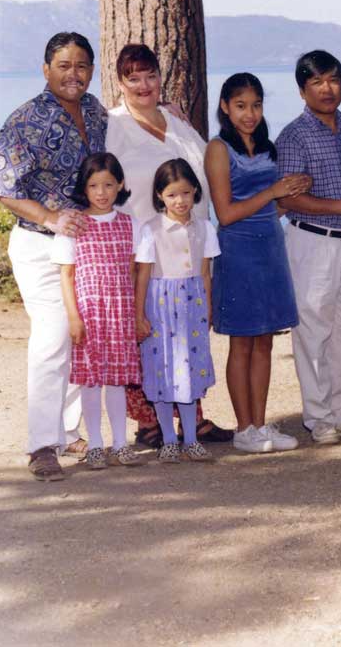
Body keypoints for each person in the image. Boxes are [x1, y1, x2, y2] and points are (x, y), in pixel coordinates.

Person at [0, 32, 105, 481]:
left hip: (83, 245)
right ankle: (40, 446)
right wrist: (52, 217)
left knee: (80, 334)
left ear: (92, 70)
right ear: (45, 69)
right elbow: (0, 186)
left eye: (82, 66)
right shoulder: (26, 120)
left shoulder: (94, 111)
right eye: (64, 65)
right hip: (39, 244)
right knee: (53, 337)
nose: (73, 75)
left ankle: (67, 429)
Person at [106, 43, 231, 448]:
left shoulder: (178, 122)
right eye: (133, 77)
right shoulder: (113, 126)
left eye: (150, 75)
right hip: (142, 251)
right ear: (120, 82)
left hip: (189, 248)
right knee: (149, 337)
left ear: (161, 77)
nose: (144, 85)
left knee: (186, 335)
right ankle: (149, 422)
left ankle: (192, 416)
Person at [275, 50, 341, 445]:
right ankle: (318, 418)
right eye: (317, 82)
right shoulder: (293, 137)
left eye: (333, 79)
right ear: (303, 90)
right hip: (311, 239)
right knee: (311, 329)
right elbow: (289, 200)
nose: (327, 89)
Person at [205, 73, 310, 453]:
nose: (249, 114)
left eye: (256, 105)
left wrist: (292, 192)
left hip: (271, 247)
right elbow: (226, 213)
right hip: (238, 251)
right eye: (240, 106)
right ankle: (243, 428)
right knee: (243, 342)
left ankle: (260, 425)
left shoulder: (266, 146)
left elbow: (272, 205)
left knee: (264, 340)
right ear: (224, 107)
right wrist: (273, 191)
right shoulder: (218, 149)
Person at [52, 153, 143, 470]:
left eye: (108, 184)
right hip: (88, 314)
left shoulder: (129, 225)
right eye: (93, 185)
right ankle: (96, 445)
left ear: (120, 184)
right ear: (84, 188)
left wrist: (134, 313)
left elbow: (132, 272)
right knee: (90, 382)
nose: (101, 192)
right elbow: (67, 275)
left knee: (116, 380)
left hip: (118, 312)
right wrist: (74, 318)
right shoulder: (74, 226)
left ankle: (120, 444)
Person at [135, 159, 219, 463]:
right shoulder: (150, 229)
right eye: (171, 194)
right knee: (163, 371)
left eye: (185, 193)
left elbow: (206, 273)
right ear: (160, 195)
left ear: (195, 190)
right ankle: (169, 439)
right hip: (159, 306)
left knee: (188, 372)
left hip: (192, 305)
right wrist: (138, 314)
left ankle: (191, 439)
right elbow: (143, 274)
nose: (179, 201)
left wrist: (208, 308)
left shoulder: (205, 228)